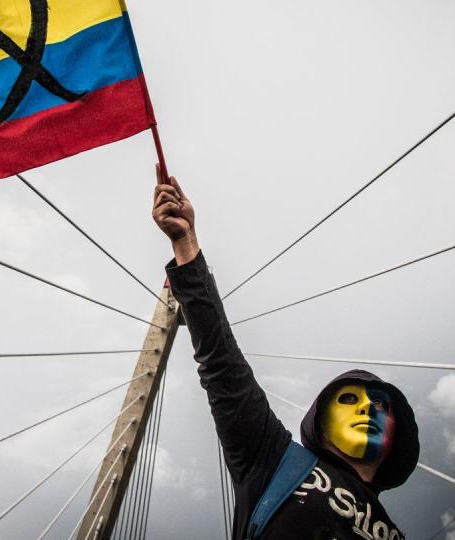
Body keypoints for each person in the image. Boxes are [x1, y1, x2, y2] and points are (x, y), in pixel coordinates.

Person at [151, 167, 420, 539]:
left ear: (396, 435)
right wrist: (186, 240)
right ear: (319, 420)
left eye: (380, 406)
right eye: (349, 399)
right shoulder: (272, 460)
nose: (366, 409)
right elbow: (221, 363)